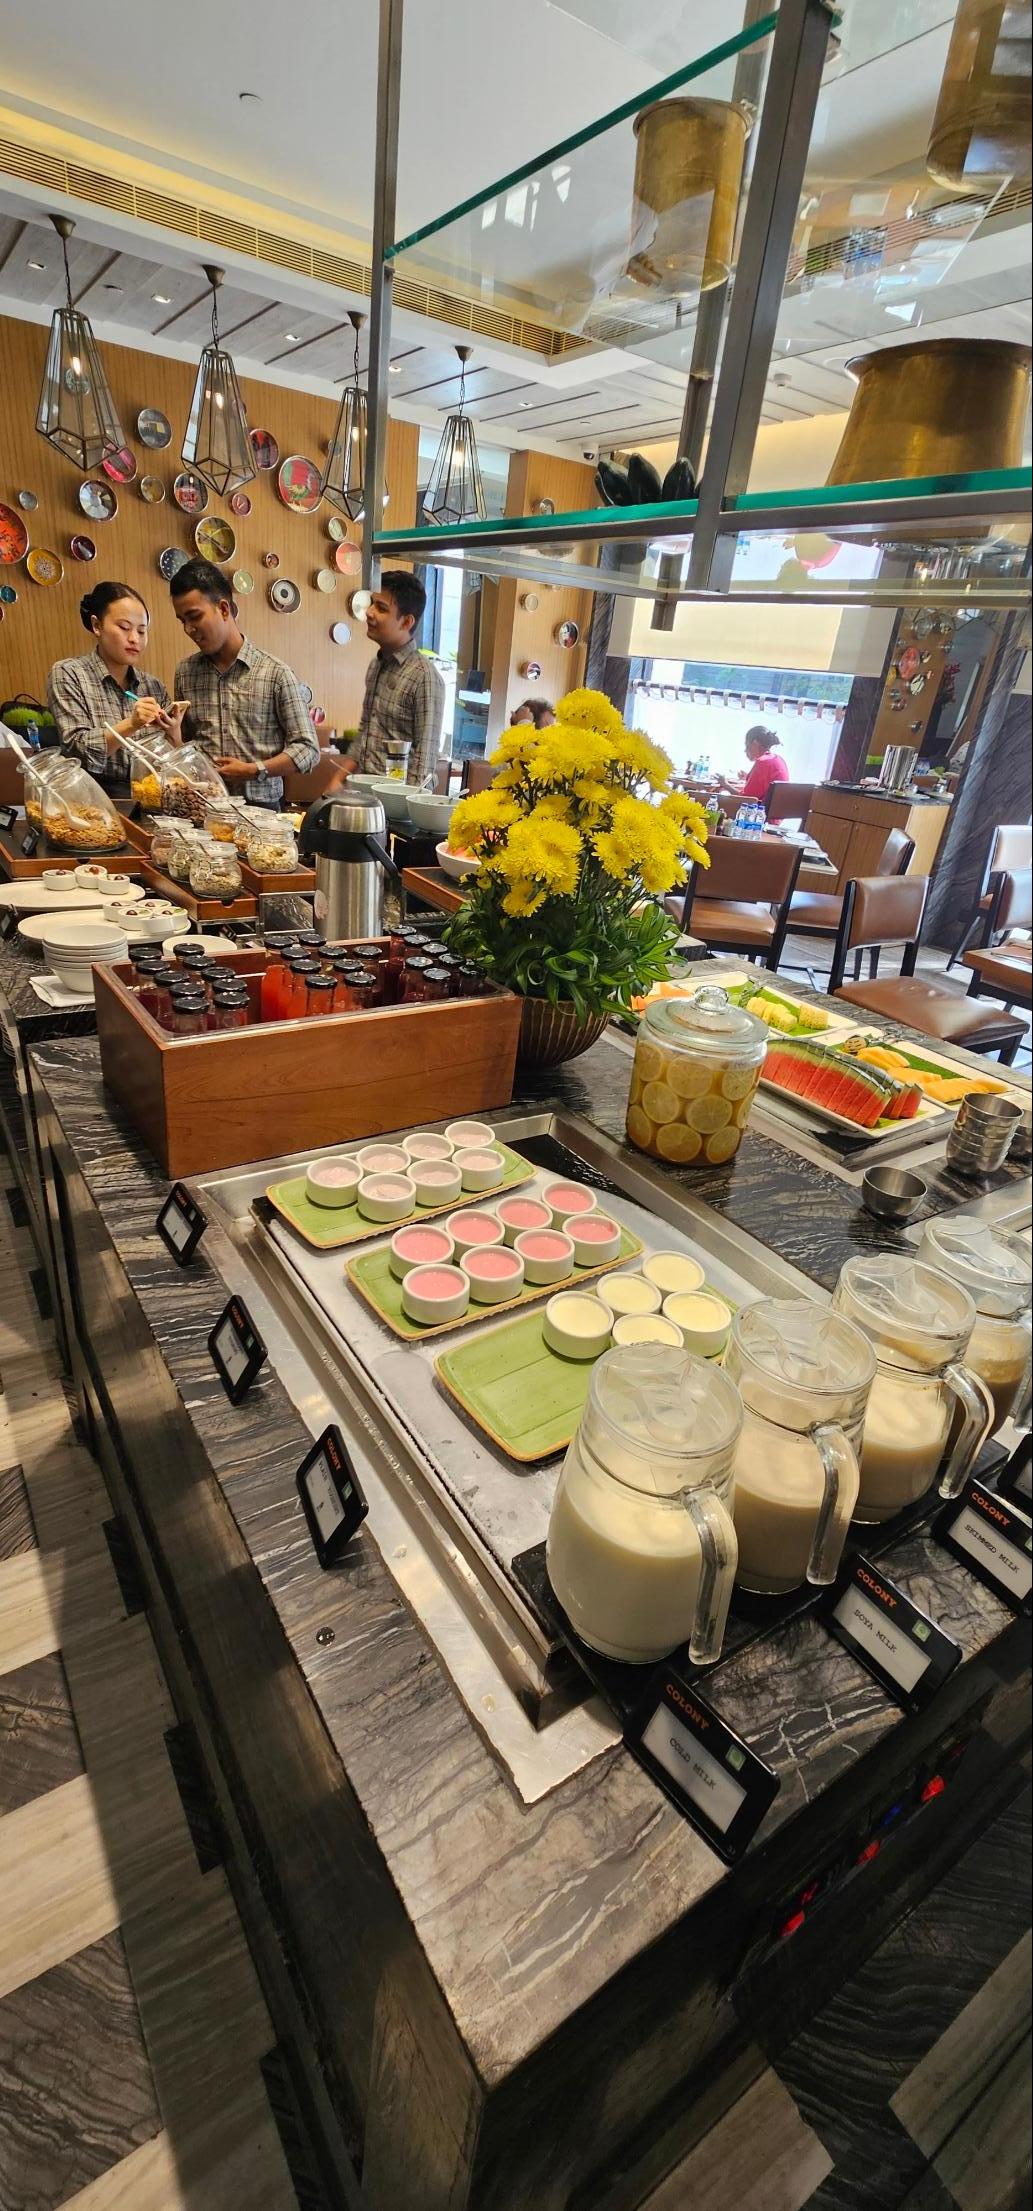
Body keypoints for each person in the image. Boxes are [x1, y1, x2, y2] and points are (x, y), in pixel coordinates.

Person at [169, 559, 319, 805]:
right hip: (202, 806)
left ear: (224, 609)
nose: (188, 629)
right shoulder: (185, 672)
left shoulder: (275, 674)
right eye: (181, 620)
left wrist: (253, 769)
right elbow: (185, 744)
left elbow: (308, 750)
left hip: (262, 813)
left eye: (194, 617)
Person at [48, 581, 184, 783]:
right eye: (124, 627)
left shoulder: (152, 685)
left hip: (150, 795)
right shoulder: (69, 673)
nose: (134, 639)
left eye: (141, 631)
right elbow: (77, 750)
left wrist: (174, 733)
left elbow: (171, 763)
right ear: (97, 625)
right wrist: (132, 724)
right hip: (94, 798)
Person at [327, 570, 444, 788]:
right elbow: (365, 733)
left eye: (381, 608)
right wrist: (337, 780)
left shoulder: (424, 676)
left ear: (407, 622)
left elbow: (424, 762)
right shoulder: (377, 665)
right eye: (372, 603)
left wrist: (400, 813)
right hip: (362, 794)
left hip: (394, 806)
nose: (369, 612)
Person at [739, 725, 789, 805]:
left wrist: (725, 784)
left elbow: (746, 799)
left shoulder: (762, 762)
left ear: (755, 744)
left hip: (761, 815)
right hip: (775, 815)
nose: (745, 750)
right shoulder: (779, 759)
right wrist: (748, 777)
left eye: (747, 745)